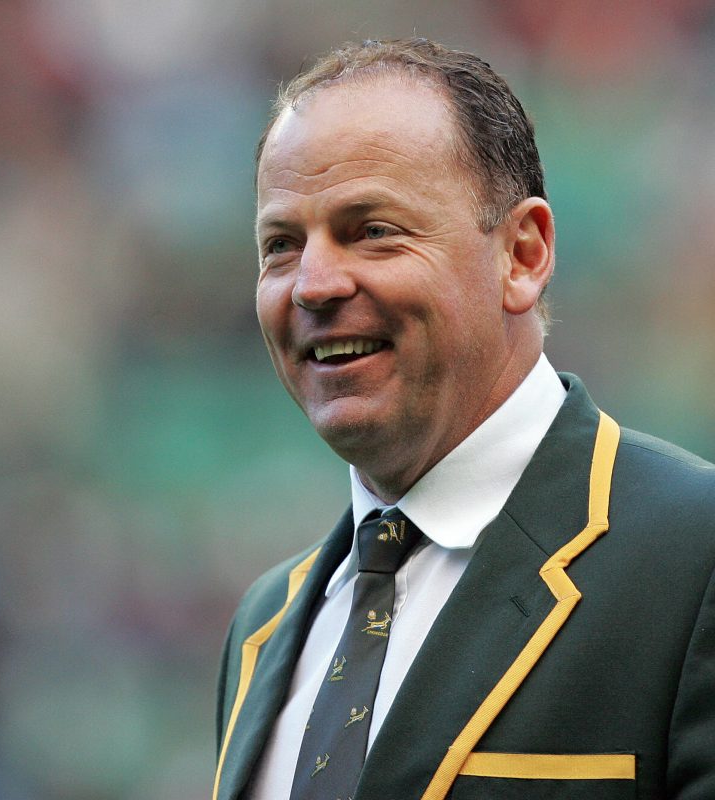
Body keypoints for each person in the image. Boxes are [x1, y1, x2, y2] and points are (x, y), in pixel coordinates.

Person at [212, 38, 715, 800]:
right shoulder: (263, 627)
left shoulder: (692, 559)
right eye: (280, 246)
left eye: (372, 229)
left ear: (522, 253)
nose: (312, 284)